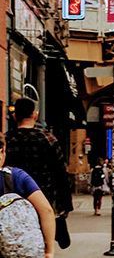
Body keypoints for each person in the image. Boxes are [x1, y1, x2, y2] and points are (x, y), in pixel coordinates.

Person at [5, 98, 72, 248]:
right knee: (40, 244)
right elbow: (61, 174)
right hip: (43, 200)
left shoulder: (7, 139)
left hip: (11, 202)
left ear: (15, 116)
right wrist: (64, 205)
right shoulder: (48, 139)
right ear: (35, 115)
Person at [0, 135, 57, 258]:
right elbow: (46, 211)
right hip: (14, 250)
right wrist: (49, 250)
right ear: (2, 151)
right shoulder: (16, 176)